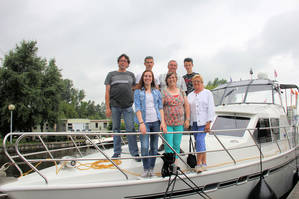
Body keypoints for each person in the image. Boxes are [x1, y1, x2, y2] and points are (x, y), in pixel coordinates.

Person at [104, 54, 140, 160]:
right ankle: (117, 152)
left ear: (128, 64)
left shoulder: (131, 75)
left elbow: (135, 88)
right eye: (121, 60)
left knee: (131, 129)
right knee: (116, 129)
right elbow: (107, 91)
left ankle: (134, 153)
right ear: (118, 62)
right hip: (115, 106)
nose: (123, 62)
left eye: (125, 61)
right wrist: (107, 107)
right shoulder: (111, 75)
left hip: (128, 106)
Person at [134, 70, 167, 177]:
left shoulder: (156, 92)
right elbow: (137, 108)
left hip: (156, 122)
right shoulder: (138, 92)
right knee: (144, 146)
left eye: (149, 76)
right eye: (145, 76)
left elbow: (160, 108)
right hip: (145, 123)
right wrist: (141, 123)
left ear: (152, 78)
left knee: (153, 147)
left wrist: (163, 122)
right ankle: (146, 169)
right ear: (143, 78)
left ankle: (151, 170)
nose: (147, 78)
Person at [187, 74, 215, 172]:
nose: (196, 83)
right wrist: (187, 121)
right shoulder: (190, 95)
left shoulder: (207, 93)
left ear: (202, 83)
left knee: (199, 141)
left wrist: (209, 122)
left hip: (203, 122)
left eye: (198, 81)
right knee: (200, 142)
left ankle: (198, 164)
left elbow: (211, 108)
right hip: (194, 123)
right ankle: (204, 163)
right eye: (194, 82)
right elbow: (188, 109)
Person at [162, 72, 190, 164]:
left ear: (176, 79)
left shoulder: (181, 91)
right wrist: (162, 122)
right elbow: (160, 108)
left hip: (179, 123)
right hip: (168, 124)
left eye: (173, 77)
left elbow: (186, 106)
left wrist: (187, 119)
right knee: (168, 146)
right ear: (167, 80)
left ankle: (175, 166)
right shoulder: (164, 92)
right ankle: (169, 165)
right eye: (169, 78)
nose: (171, 79)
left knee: (177, 146)